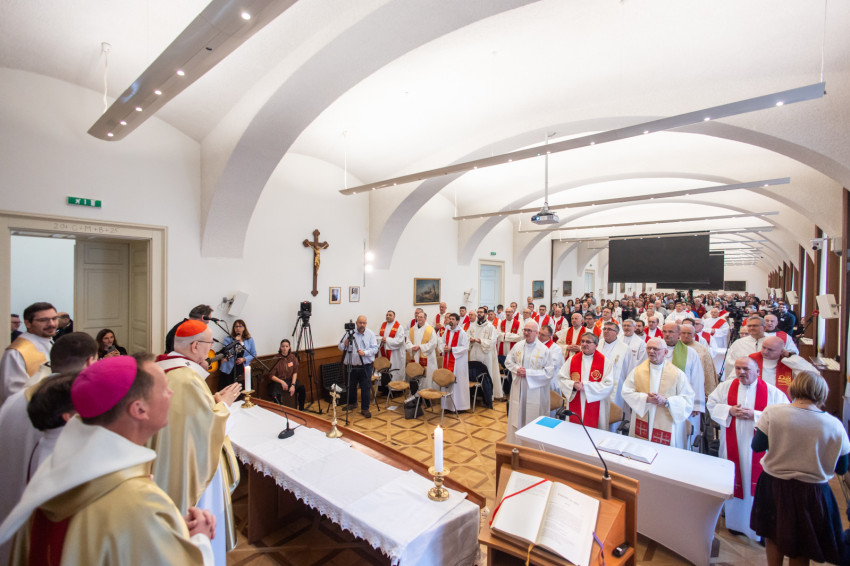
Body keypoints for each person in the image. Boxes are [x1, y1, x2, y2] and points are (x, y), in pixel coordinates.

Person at [0, 354, 215, 565]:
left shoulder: (59, 472)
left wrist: (165, 530)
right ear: (139, 409)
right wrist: (201, 539)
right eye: (164, 389)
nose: (171, 393)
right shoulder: (137, 500)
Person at [0, 332, 98, 566]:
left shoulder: (12, 401)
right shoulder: (75, 407)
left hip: (8, 515)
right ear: (90, 362)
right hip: (45, 528)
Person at [153, 319, 242, 564]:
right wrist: (224, 405)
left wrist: (212, 401)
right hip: (192, 468)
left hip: (171, 460)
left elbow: (189, 418)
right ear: (194, 346)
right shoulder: (187, 379)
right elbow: (205, 428)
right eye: (208, 344)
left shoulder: (165, 369)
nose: (210, 350)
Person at [751, 372, 850, 565]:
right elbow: (841, 468)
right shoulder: (834, 425)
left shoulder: (773, 413)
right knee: (802, 543)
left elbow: (757, 446)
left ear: (794, 387)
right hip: (811, 490)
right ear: (822, 392)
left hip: (774, 484)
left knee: (773, 533)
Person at [706, 357, 788, 541]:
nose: (741, 372)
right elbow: (711, 404)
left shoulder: (772, 393)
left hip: (757, 448)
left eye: (746, 369)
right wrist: (729, 411)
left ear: (757, 372)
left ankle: (760, 528)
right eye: (738, 368)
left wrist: (756, 415)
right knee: (733, 478)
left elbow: (784, 415)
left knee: (757, 483)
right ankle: (735, 523)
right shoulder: (726, 387)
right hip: (731, 445)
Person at [622, 338, 695, 449]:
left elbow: (688, 399)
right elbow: (626, 392)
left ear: (665, 352)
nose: (651, 351)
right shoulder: (637, 371)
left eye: (655, 349)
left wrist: (666, 402)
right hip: (643, 417)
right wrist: (645, 399)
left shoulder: (677, 374)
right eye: (649, 348)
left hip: (667, 420)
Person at [504, 320, 555, 443]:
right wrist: (517, 369)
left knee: (533, 418)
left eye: (529, 331)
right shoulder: (518, 345)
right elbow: (508, 361)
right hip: (519, 386)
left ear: (537, 333)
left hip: (535, 389)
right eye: (525, 330)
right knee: (517, 417)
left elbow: (549, 372)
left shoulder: (544, 350)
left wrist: (529, 373)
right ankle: (515, 443)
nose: (526, 333)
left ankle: (532, 447)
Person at [0, 302, 56, 407]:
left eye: (54, 318)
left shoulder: (51, 343)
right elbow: (13, 394)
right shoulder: (17, 352)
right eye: (43, 320)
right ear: (28, 323)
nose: (52, 324)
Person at [557, 332, 613, 429]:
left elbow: (608, 384)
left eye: (588, 342)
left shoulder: (605, 362)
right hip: (575, 398)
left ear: (596, 345)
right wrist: (573, 385)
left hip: (595, 402)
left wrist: (586, 386)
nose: (584, 344)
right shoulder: (572, 359)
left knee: (593, 431)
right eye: (582, 341)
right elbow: (561, 377)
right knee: (573, 430)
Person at [662, 322, 705, 442]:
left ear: (678, 334)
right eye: (665, 331)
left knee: (681, 437)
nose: (667, 334)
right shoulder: (656, 350)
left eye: (671, 332)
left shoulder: (690, 353)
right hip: (661, 401)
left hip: (683, 402)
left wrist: (696, 404)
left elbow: (697, 379)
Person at [748, 336, 816, 398]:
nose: (765, 352)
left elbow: (813, 374)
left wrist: (791, 356)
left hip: (780, 400)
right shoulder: (751, 359)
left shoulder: (789, 363)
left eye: (770, 350)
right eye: (764, 347)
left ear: (781, 351)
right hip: (755, 398)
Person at [338, 315, 378, 418]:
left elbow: (375, 349)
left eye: (364, 323)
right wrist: (345, 344)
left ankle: (365, 409)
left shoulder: (370, 334)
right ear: (356, 323)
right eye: (360, 323)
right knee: (350, 386)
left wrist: (365, 353)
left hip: (365, 366)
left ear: (366, 323)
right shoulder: (349, 333)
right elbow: (340, 346)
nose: (362, 325)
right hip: (350, 366)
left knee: (365, 387)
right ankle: (352, 403)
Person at [599, 321, 635, 424]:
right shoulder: (597, 344)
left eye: (609, 329)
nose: (606, 331)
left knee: (613, 415)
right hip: (598, 384)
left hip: (616, 386)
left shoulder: (625, 348)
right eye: (604, 329)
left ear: (617, 332)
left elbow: (630, 369)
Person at [468, 306, 503, 399]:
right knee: (474, 373)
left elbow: (493, 341)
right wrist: (470, 339)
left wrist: (481, 341)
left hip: (485, 354)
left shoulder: (490, 327)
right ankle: (475, 395)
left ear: (485, 314)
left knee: (486, 374)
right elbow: (467, 336)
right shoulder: (473, 326)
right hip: (474, 352)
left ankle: (487, 396)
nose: (479, 314)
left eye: (481, 312)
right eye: (478, 312)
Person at [438, 314, 471, 412]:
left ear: (457, 321)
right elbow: (441, 341)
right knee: (447, 381)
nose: (451, 320)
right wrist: (444, 347)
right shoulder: (447, 330)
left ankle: (459, 406)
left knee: (457, 384)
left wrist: (452, 349)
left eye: (453, 319)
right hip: (447, 359)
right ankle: (447, 406)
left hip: (458, 363)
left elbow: (465, 347)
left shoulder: (462, 333)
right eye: (450, 319)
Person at [679, 322, 718, 397]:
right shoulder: (674, 346)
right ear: (679, 334)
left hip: (696, 381)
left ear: (694, 334)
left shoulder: (702, 349)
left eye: (689, 333)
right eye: (683, 333)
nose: (686, 336)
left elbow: (707, 370)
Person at [267, 339, 305, 411]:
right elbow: (271, 375)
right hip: (278, 381)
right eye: (283, 346)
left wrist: (293, 385)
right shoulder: (275, 359)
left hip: (290, 379)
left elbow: (295, 372)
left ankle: (301, 410)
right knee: (275, 394)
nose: (285, 348)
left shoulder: (293, 357)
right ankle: (280, 412)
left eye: (286, 346)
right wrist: (282, 382)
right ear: (280, 347)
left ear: (289, 347)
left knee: (302, 389)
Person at [218, 319, 256, 390]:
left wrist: (244, 359)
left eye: (240, 326)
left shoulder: (249, 340)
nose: (238, 328)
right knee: (229, 390)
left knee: (243, 390)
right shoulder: (228, 339)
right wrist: (236, 341)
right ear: (234, 328)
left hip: (243, 368)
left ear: (244, 328)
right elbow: (226, 353)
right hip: (230, 368)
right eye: (236, 326)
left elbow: (253, 354)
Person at [407, 311, 438, 390]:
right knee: (416, 373)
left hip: (427, 357)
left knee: (427, 376)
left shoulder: (430, 329)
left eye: (421, 317)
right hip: (415, 355)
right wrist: (411, 347)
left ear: (425, 319)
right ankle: (416, 394)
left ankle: (427, 393)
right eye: (418, 317)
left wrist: (420, 347)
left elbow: (433, 343)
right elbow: (408, 341)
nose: (419, 318)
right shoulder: (412, 329)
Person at [496, 307, 522, 400]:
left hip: (513, 348)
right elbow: (498, 335)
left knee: (512, 369)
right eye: (506, 312)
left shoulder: (518, 323)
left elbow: (519, 337)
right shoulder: (501, 323)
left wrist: (505, 336)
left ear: (513, 313)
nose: (508, 313)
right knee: (503, 368)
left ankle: (512, 390)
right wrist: (509, 336)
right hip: (502, 348)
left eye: (510, 312)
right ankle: (504, 389)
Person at [378, 310, 407, 380]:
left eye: (390, 315)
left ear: (394, 317)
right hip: (383, 351)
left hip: (395, 354)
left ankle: (395, 385)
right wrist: (381, 339)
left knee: (394, 370)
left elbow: (400, 341)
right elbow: (378, 336)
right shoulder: (382, 325)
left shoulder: (399, 327)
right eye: (387, 315)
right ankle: (384, 385)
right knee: (384, 369)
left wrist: (387, 340)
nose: (388, 316)